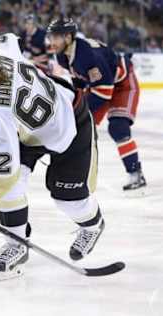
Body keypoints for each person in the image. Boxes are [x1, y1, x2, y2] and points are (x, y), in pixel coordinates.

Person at [0, 33, 105, 280]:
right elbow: (8, 38)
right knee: (11, 188)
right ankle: (17, 244)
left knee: (68, 199)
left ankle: (93, 225)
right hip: (28, 130)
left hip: (69, 125)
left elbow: (0, 176)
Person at [47, 18, 146, 194]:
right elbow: (79, 80)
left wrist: (79, 109)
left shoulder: (88, 55)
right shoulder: (62, 55)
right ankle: (76, 173)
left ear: (68, 38)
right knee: (81, 126)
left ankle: (135, 173)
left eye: (56, 37)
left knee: (118, 127)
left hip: (122, 84)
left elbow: (104, 92)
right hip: (102, 85)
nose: (51, 42)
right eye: (51, 37)